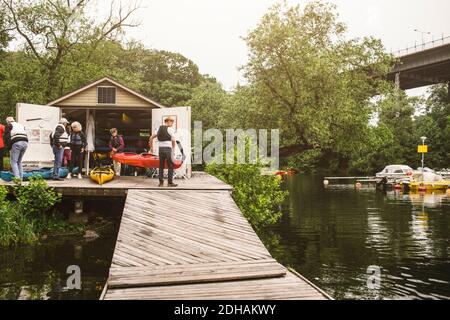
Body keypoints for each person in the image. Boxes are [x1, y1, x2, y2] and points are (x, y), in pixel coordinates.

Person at [149, 117, 177, 187]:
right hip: (168, 149)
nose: (172, 124)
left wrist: (151, 147)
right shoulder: (170, 129)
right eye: (172, 122)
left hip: (160, 149)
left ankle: (161, 183)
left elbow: (151, 138)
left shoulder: (159, 128)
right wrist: (173, 149)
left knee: (161, 166)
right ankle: (170, 183)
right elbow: (173, 140)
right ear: (168, 122)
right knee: (171, 165)